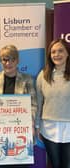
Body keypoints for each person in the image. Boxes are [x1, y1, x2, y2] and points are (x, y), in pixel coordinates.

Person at [0, 44, 37, 168]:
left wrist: (32, 122)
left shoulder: (27, 79)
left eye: (12, 59)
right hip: (0, 134)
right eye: (5, 59)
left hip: (21, 133)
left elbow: (33, 104)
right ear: (1, 61)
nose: (8, 63)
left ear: (17, 61)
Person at [35, 38, 70, 168]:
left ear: (67, 53)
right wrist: (37, 125)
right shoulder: (43, 75)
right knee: (55, 164)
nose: (56, 55)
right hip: (49, 127)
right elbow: (39, 101)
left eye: (61, 51)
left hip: (69, 127)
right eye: (53, 52)